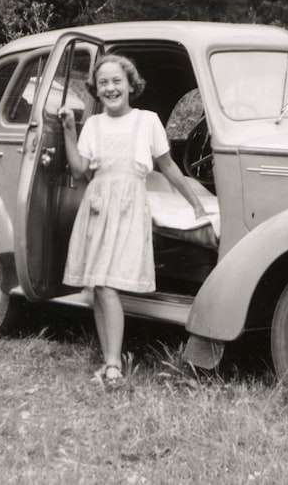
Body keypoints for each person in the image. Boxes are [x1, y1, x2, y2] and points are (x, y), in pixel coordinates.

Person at [58, 54, 209, 383]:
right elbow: (80, 170)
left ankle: (113, 365)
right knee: (99, 285)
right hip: (98, 205)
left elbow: (167, 166)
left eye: (116, 81)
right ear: (96, 91)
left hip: (129, 206)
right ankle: (109, 358)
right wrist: (70, 130)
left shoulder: (147, 120)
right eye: (103, 83)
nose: (110, 88)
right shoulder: (94, 125)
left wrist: (195, 202)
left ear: (130, 85)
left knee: (109, 284)